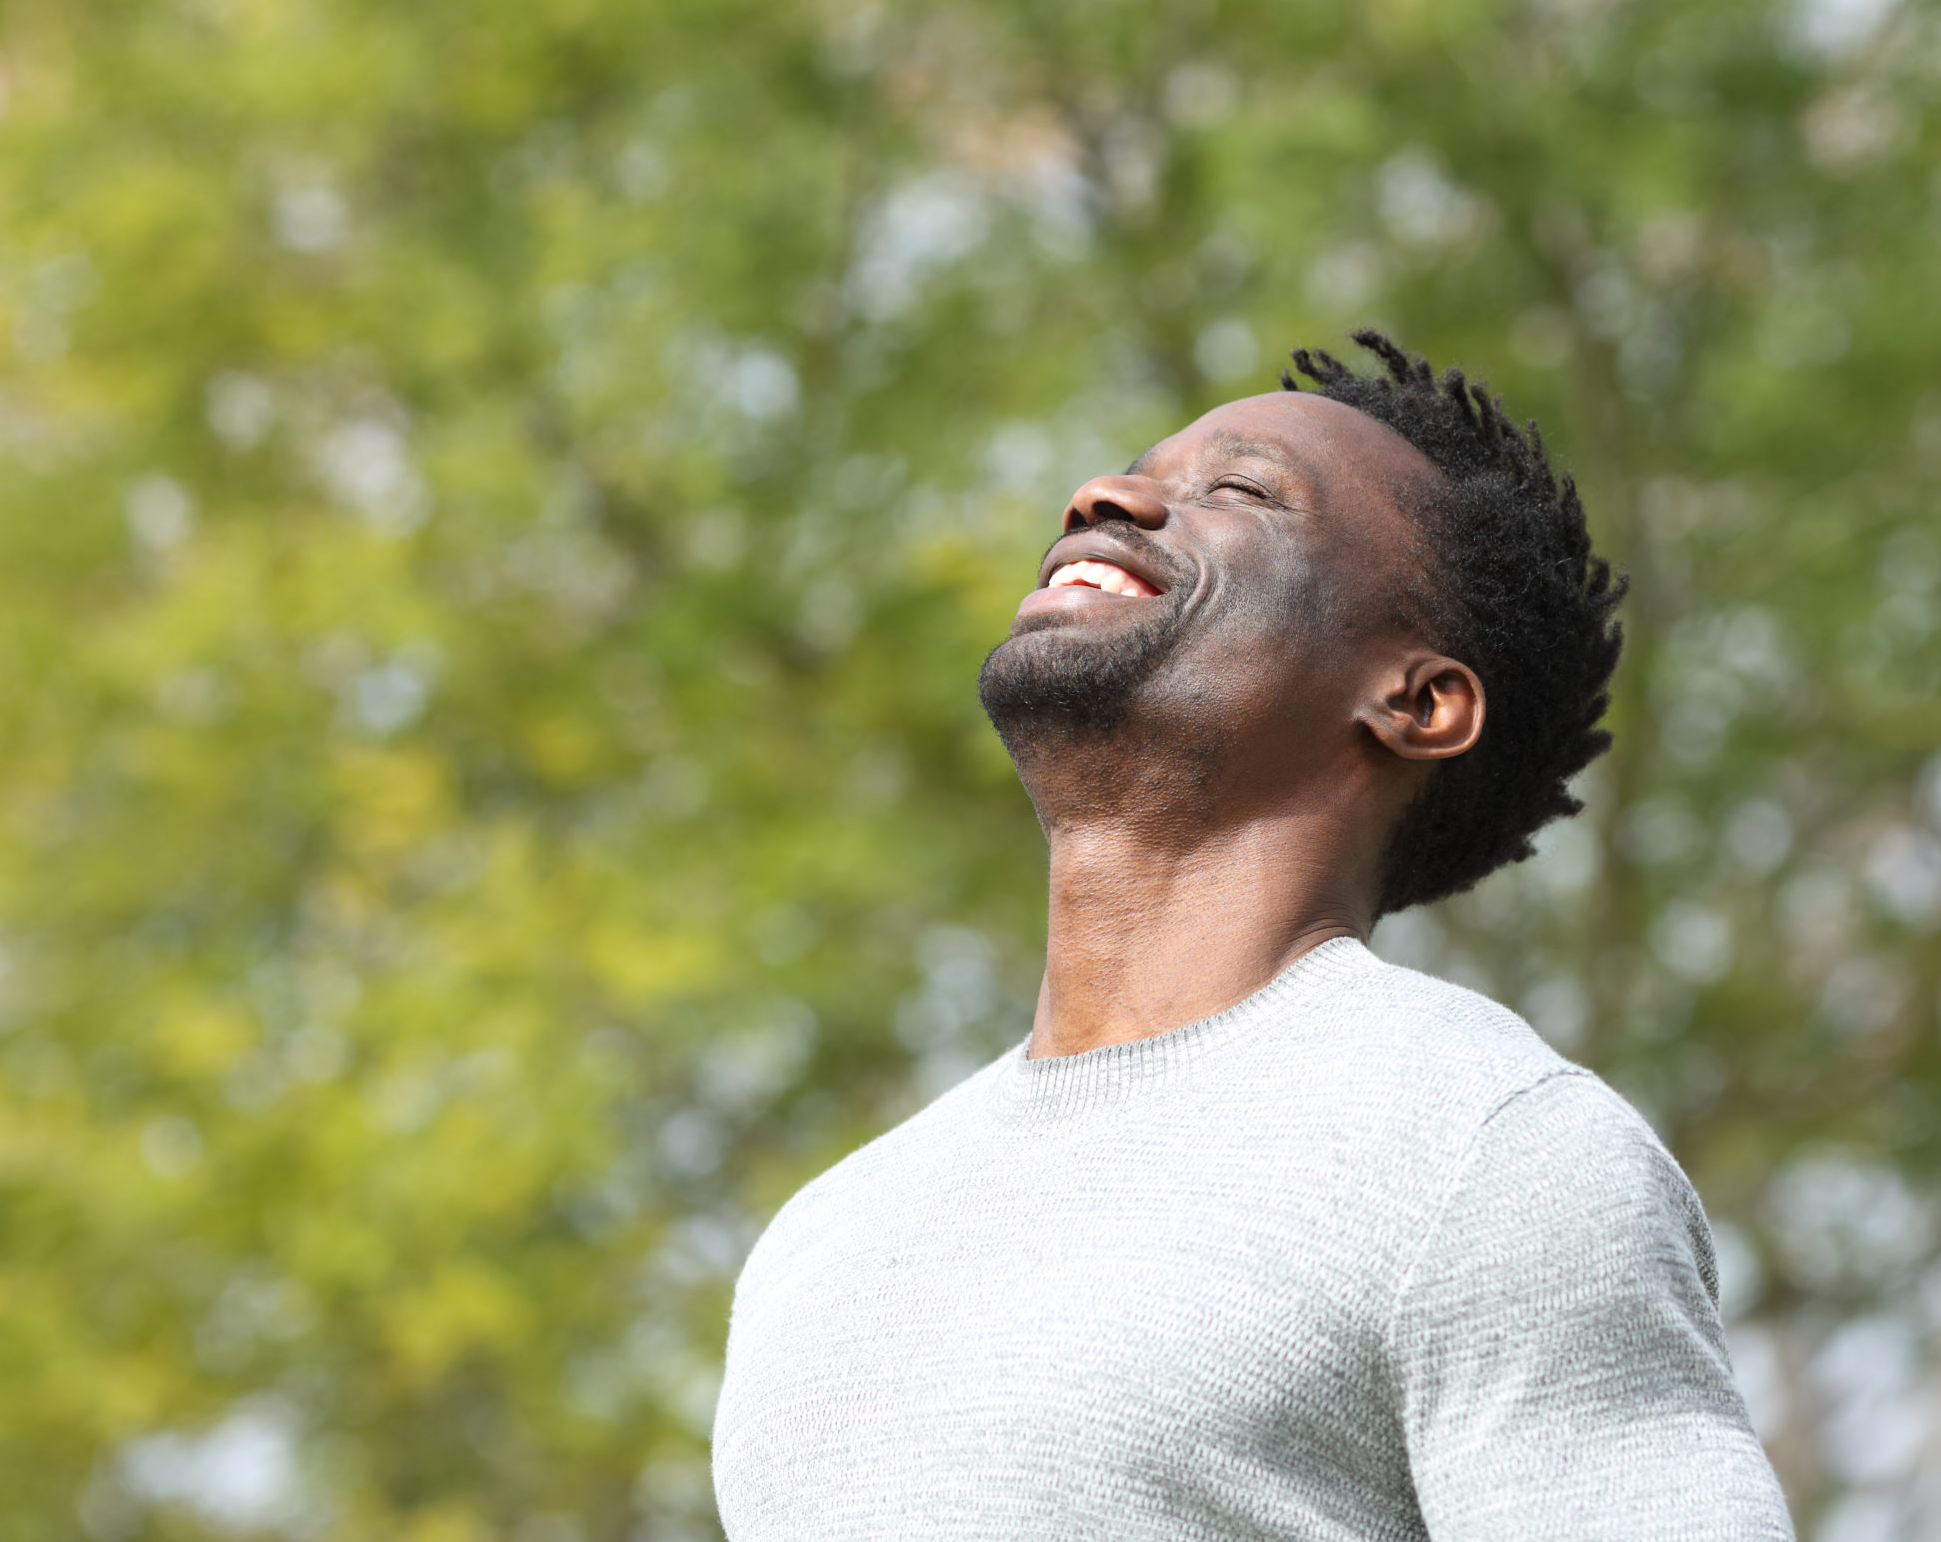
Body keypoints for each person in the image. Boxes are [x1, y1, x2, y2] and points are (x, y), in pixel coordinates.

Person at [711, 331, 1793, 1541]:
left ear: (1415, 701)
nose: (1105, 498)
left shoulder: (1486, 1151)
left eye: (1237, 492)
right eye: (1132, 472)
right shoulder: (826, 1235)